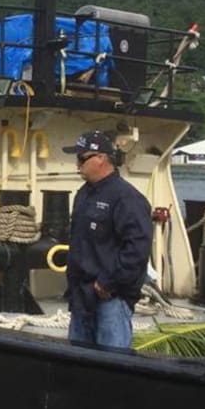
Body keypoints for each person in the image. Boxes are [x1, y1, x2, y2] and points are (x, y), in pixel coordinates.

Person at [62, 130, 153, 349]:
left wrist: (107, 283)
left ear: (101, 158)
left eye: (82, 159)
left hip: (109, 298)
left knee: (112, 366)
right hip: (82, 297)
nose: (77, 164)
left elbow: (137, 249)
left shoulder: (127, 198)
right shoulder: (83, 195)